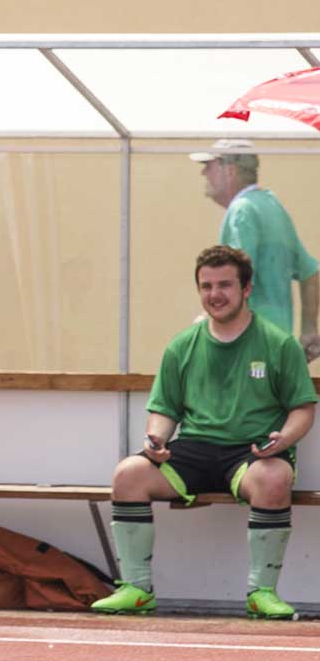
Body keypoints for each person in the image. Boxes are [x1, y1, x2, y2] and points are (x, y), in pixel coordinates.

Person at [97, 245, 317, 619]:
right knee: (128, 475)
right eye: (206, 286)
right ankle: (137, 589)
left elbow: (303, 408)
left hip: (251, 452)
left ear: (246, 289)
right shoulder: (182, 346)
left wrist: (285, 437)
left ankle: (261, 593)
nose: (215, 294)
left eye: (225, 285)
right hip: (194, 449)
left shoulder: (278, 344)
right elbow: (164, 410)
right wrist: (157, 440)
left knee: (275, 477)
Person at [193, 139, 320, 357]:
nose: (204, 173)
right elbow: (311, 272)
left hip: (248, 347)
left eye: (210, 165)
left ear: (230, 171)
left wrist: (204, 327)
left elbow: (233, 282)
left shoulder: (242, 212)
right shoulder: (272, 207)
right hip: (279, 345)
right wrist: (308, 328)